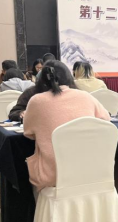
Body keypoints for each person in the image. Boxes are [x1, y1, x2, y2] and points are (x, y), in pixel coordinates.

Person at [23, 61, 110, 192]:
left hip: (53, 175)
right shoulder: (86, 96)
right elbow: (105, 121)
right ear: (69, 76)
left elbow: (28, 133)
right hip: (91, 169)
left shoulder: (36, 101)